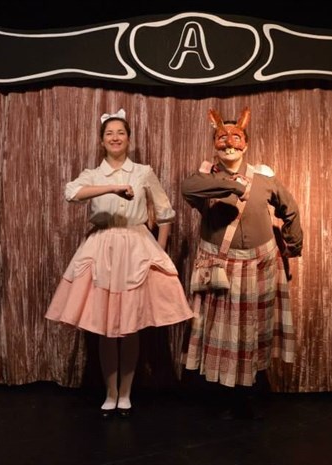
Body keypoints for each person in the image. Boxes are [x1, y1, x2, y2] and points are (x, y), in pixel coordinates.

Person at [45, 108, 193, 418]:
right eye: (109, 133)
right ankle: (110, 392)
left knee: (130, 327)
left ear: (128, 139)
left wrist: (158, 250)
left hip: (136, 247)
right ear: (102, 140)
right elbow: (72, 193)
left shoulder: (143, 172)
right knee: (105, 328)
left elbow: (165, 213)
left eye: (121, 133)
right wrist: (112, 187)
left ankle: (125, 394)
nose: (115, 137)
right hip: (102, 247)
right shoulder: (92, 174)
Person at [181, 107, 303, 419]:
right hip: (220, 267)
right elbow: (187, 189)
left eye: (236, 138)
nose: (229, 144)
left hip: (260, 266)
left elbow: (289, 209)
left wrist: (293, 243)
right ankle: (223, 395)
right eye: (222, 138)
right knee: (222, 335)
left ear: (246, 143)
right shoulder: (204, 177)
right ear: (214, 143)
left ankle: (250, 395)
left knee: (254, 331)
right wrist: (234, 186)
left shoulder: (264, 178)